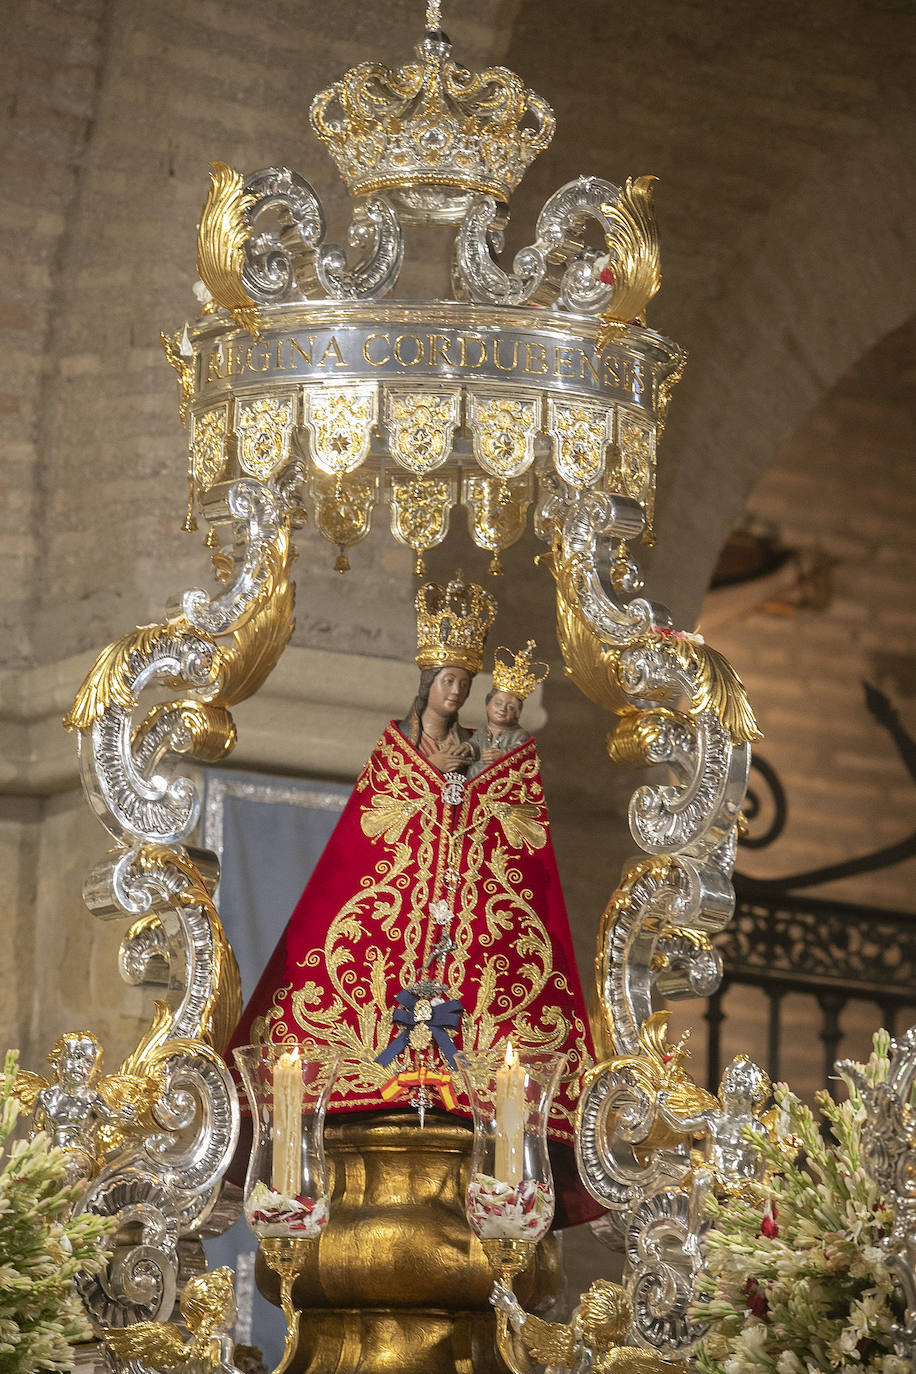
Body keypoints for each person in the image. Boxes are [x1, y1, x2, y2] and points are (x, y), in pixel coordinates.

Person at [227, 574, 602, 1226]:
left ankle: (464, 1075)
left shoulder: (482, 756)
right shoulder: (398, 755)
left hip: (466, 969)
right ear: (428, 681)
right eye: (447, 679)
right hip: (390, 976)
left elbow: (513, 840)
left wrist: (468, 785)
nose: (455, 690)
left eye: (465, 682)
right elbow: (368, 845)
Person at [466, 640, 548, 780]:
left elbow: (520, 753)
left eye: (510, 707)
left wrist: (503, 755)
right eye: (498, 704)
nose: (502, 709)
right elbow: (473, 745)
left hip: (504, 780)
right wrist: (465, 749)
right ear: (487, 705)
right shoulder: (482, 733)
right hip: (476, 779)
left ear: (518, 713)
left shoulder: (520, 735)